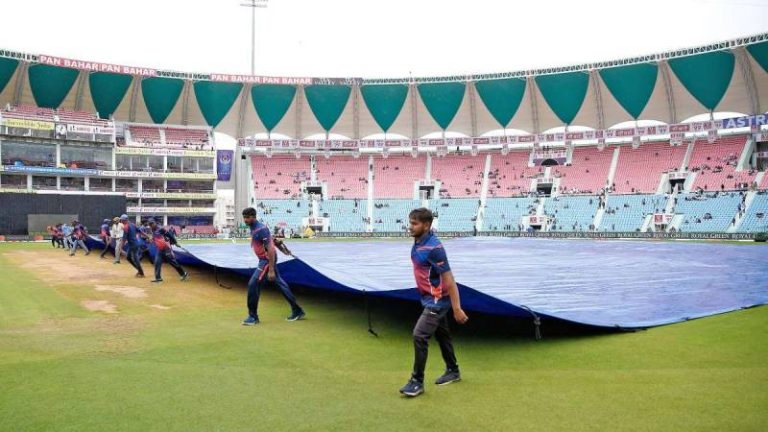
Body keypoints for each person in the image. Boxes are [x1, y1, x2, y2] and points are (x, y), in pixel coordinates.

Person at [399, 208, 468, 398]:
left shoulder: (435, 248)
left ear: (427, 225)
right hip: (428, 297)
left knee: (419, 335)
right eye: (410, 222)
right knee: (442, 335)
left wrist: (457, 308)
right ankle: (453, 370)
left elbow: (449, 279)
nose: (410, 227)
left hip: (437, 301)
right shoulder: (419, 241)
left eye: (415, 223)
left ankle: (416, 382)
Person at [241, 207, 305, 325]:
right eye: (244, 217)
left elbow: (270, 248)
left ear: (253, 217)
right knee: (280, 283)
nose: (245, 220)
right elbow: (272, 241)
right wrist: (283, 249)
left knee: (252, 284)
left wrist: (270, 269)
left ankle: (253, 317)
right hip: (267, 259)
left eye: (247, 217)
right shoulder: (254, 227)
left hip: (266, 261)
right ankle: (297, 310)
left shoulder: (260, 229)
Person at [143, 219, 188, 283]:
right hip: (159, 249)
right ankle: (158, 278)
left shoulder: (161, 229)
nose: (151, 225)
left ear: (155, 223)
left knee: (173, 262)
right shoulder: (152, 229)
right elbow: (155, 237)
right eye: (150, 224)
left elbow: (170, 235)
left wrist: (175, 243)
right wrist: (151, 239)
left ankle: (183, 274)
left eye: (152, 224)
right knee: (157, 262)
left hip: (166, 248)